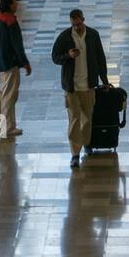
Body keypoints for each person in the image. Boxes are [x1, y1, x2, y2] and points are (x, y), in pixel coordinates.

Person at [51, 9, 111, 168]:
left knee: (87, 118)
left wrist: (104, 80)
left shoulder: (93, 35)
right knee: (74, 119)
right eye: (73, 25)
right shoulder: (65, 37)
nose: (76, 27)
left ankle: (86, 143)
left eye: (79, 24)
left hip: (88, 85)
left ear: (83, 20)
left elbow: (100, 58)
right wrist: (67, 56)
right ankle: (75, 153)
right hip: (72, 87)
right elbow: (55, 57)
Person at [0, 0, 31, 138]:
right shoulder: (11, 21)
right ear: (9, 5)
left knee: (2, 91)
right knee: (10, 95)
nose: (16, 4)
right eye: (14, 2)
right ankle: (7, 127)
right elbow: (17, 45)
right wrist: (25, 63)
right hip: (10, 62)